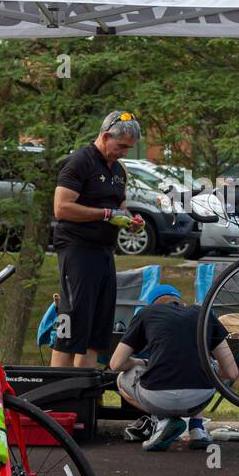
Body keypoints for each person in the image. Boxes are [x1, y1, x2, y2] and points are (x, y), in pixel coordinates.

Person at [49, 111, 144, 369]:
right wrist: (104, 215)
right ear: (105, 136)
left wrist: (132, 221)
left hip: (105, 251)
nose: (124, 152)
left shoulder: (119, 170)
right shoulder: (79, 162)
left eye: (129, 148)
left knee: (96, 331)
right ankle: (55, 399)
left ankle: (85, 398)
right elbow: (61, 208)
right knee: (71, 327)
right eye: (121, 146)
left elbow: (120, 209)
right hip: (77, 250)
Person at [108, 286, 238, 452]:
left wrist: (139, 362)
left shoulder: (146, 313)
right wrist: (204, 372)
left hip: (157, 398)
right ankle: (197, 429)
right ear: (181, 303)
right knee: (211, 365)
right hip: (198, 399)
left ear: (152, 304)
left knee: (122, 378)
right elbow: (231, 372)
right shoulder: (203, 314)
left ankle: (163, 421)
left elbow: (115, 364)